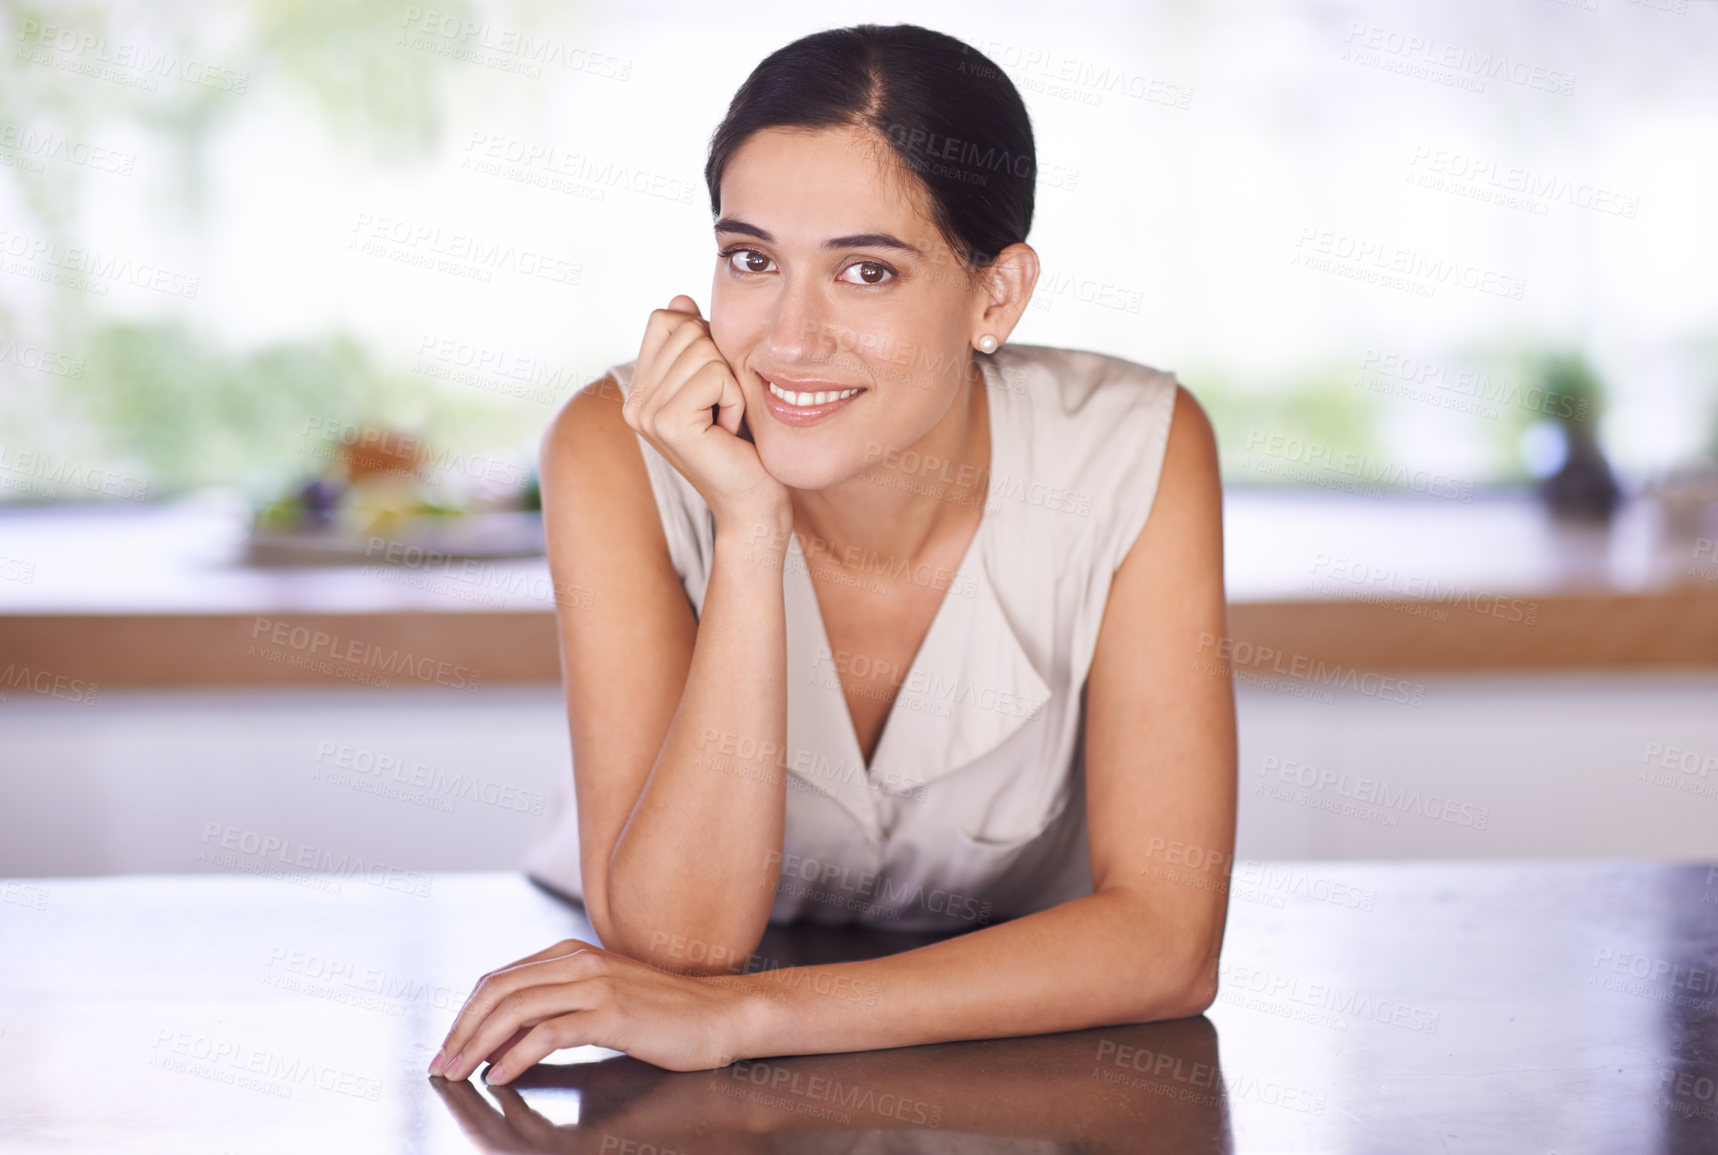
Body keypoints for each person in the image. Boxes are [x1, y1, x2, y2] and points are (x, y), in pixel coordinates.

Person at [431, 22, 1236, 1082]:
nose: (789, 339)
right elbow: (676, 951)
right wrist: (751, 530)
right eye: (751, 259)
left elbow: (1166, 946)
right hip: (663, 1060)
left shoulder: (1136, 449)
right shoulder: (619, 443)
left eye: (866, 271)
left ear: (996, 296)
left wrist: (748, 1020)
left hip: (1013, 1055)